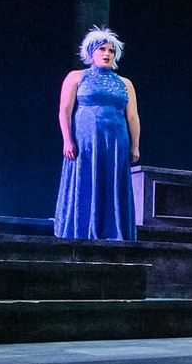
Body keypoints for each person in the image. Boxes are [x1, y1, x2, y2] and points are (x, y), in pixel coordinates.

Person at [54, 27, 140, 242]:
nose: (107, 54)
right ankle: (82, 229)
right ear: (91, 52)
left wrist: (135, 145)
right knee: (86, 180)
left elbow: (132, 117)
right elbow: (64, 111)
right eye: (102, 49)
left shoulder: (125, 83)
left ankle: (113, 231)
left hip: (116, 141)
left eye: (111, 50)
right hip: (86, 140)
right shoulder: (76, 77)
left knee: (112, 182)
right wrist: (67, 140)